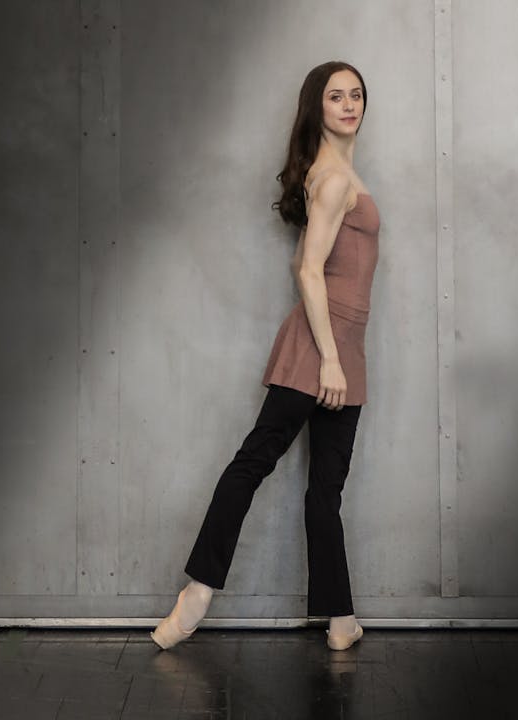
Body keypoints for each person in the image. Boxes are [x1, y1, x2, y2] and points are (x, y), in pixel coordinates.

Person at [151, 61, 379, 652]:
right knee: (256, 460)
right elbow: (306, 269)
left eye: (356, 95)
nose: (349, 105)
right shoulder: (332, 180)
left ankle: (339, 618)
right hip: (323, 344)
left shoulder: (336, 173)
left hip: (344, 344)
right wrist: (328, 358)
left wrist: (340, 355)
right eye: (336, 96)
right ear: (317, 108)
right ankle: (198, 589)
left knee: (325, 488)